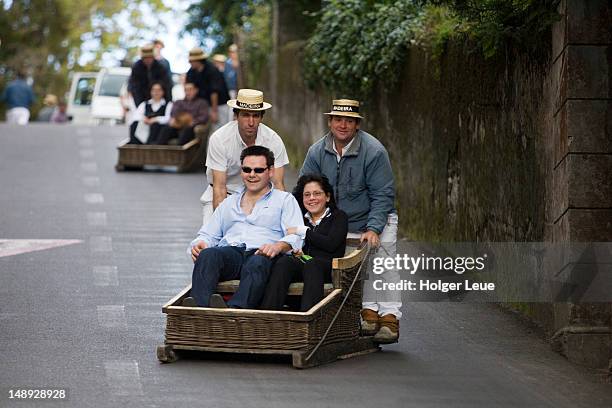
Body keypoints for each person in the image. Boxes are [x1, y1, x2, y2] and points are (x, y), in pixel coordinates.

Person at [300, 98, 401, 343]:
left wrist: (374, 228)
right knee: (353, 274)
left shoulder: (373, 150)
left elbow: (382, 193)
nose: (343, 125)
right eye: (338, 119)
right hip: (340, 224)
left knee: (383, 267)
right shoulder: (317, 151)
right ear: (330, 122)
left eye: (349, 120)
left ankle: (390, 318)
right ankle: (367, 316)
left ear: (357, 124)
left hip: (376, 219)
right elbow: (304, 188)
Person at [184, 145, 304, 309]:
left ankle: (234, 313)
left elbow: (297, 235)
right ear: (241, 172)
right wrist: (200, 243)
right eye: (247, 169)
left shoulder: (284, 200)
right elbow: (207, 234)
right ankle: (199, 309)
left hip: (263, 254)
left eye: (258, 170)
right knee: (208, 254)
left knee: (257, 263)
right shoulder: (229, 202)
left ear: (270, 171)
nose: (252, 175)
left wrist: (277, 246)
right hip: (232, 253)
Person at [200, 88, 289, 226]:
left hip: (261, 199)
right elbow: (220, 187)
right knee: (210, 243)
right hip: (225, 195)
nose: (251, 122)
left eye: (255, 116)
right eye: (246, 115)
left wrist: (284, 222)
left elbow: (278, 185)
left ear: (261, 117)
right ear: (236, 116)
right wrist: (221, 227)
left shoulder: (273, 140)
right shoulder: (219, 139)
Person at [260, 174, 348, 312]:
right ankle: (268, 313)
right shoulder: (300, 218)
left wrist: (303, 231)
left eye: (317, 193)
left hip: (328, 268)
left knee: (313, 264)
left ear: (328, 197)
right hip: (305, 265)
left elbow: (331, 244)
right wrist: (296, 251)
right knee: (285, 262)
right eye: (307, 195)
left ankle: (308, 317)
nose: (311, 198)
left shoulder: (338, 216)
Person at [186, 47, 230, 132]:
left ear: (198, 60)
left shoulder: (212, 70)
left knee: (220, 129)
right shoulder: (191, 72)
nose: (190, 62)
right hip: (204, 105)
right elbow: (189, 88)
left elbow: (214, 92)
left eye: (192, 61)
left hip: (219, 104)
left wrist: (214, 111)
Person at [127, 44, 172, 108]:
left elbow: (167, 86)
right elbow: (134, 86)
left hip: (159, 100)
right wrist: (140, 105)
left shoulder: (160, 67)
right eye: (145, 58)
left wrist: (167, 103)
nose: (148, 60)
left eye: (149, 57)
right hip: (141, 97)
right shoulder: (137, 67)